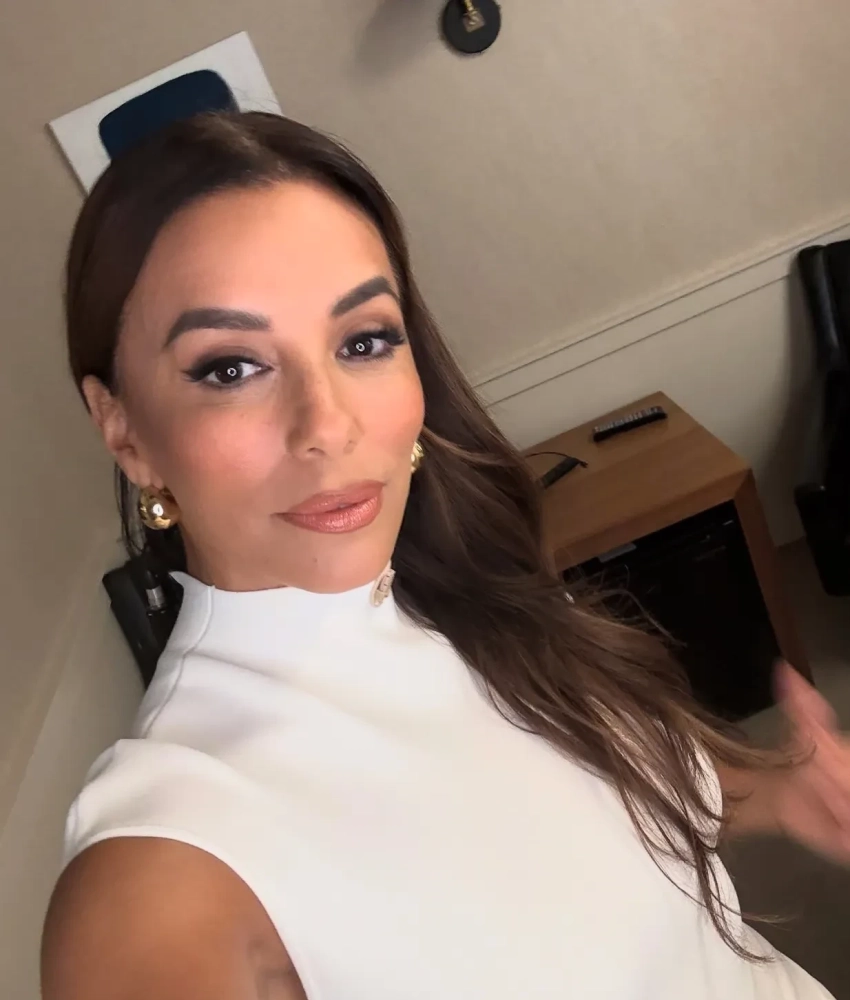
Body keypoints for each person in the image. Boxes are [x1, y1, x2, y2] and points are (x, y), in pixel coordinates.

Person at [41, 111, 846, 1000]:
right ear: (122, 428)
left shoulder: (472, 596)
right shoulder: (166, 867)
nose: (328, 425)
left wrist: (783, 790)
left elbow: (615, 817)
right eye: (231, 367)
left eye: (363, 342)